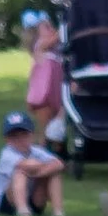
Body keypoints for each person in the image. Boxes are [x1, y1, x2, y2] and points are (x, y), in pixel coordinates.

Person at [0, 111, 67, 216]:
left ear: (32, 135)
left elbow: (58, 164)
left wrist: (37, 174)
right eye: (14, 136)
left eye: (24, 135)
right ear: (7, 139)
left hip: (34, 198)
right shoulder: (7, 153)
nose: (20, 140)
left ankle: (58, 211)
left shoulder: (36, 150)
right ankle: (23, 211)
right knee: (20, 172)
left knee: (54, 173)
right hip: (8, 203)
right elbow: (26, 165)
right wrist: (43, 168)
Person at [22, 12, 67, 145]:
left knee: (57, 130)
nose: (52, 29)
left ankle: (58, 156)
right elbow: (56, 38)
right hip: (42, 98)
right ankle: (41, 154)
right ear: (35, 33)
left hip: (54, 94)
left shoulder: (56, 51)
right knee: (45, 131)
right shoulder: (40, 46)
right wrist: (66, 25)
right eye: (47, 27)